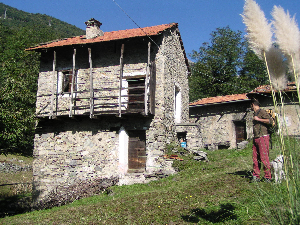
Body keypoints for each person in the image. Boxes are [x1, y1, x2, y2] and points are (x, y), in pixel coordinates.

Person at [250, 99, 272, 182]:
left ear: (253, 104)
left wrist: (258, 119)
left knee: (264, 157)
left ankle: (268, 176)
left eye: (251, 105)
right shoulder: (255, 113)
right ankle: (256, 176)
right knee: (255, 157)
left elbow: (269, 121)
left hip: (263, 136)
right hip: (256, 137)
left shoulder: (262, 111)